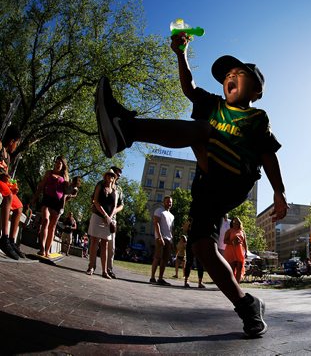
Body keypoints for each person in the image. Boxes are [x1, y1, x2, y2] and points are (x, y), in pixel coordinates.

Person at [95, 33, 288, 337]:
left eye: (239, 75)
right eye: (227, 75)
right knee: (202, 245)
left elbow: (267, 154)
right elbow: (190, 88)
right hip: (207, 183)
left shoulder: (256, 117)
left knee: (202, 130)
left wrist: (279, 191)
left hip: (236, 176)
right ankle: (248, 305)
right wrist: (181, 53)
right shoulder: (214, 104)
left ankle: (126, 130)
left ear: (257, 90)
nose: (230, 78)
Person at [31, 155, 70, 257]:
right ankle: (42, 248)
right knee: (45, 221)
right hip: (47, 199)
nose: (57, 164)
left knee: (52, 227)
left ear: (63, 165)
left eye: (60, 163)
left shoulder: (65, 177)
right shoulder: (49, 173)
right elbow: (41, 186)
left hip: (58, 203)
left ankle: (47, 251)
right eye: (56, 162)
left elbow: (66, 194)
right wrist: (34, 199)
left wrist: (63, 206)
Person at [86, 169, 118, 279]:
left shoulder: (115, 190)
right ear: (105, 177)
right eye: (108, 175)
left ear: (114, 178)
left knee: (105, 245)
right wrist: (105, 215)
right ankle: (91, 267)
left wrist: (109, 218)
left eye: (112, 176)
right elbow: (95, 201)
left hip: (108, 219)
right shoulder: (100, 186)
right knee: (94, 242)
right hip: (98, 216)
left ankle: (104, 271)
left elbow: (115, 206)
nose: (110, 177)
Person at [0, 126, 25, 260]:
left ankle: (11, 240)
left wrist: (12, 184)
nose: (16, 146)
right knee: (8, 196)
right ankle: (4, 238)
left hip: (3, 184)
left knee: (19, 207)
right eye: (17, 143)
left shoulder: (8, 157)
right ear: (11, 141)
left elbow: (6, 175)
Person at [150, 195, 174, 286]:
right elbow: (156, 223)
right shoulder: (159, 210)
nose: (169, 203)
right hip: (161, 237)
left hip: (169, 238)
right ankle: (152, 277)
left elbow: (171, 229)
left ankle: (160, 278)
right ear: (164, 202)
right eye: (167, 201)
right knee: (157, 257)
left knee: (165, 259)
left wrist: (172, 241)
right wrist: (160, 237)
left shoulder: (172, 216)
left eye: (170, 202)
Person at [106, 166, 124, 279]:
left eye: (119, 175)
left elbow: (121, 205)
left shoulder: (119, 189)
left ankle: (109, 269)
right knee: (98, 242)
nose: (118, 177)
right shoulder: (102, 184)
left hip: (112, 219)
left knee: (111, 246)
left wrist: (113, 214)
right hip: (101, 216)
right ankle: (92, 266)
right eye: (116, 174)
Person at [182, 219, 206, 288]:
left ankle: (200, 282)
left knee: (200, 263)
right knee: (189, 262)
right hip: (190, 243)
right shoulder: (190, 222)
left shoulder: (202, 224)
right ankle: (186, 281)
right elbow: (184, 230)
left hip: (199, 244)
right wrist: (188, 223)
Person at [224, 217, 248, 283]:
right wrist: (232, 242)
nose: (235, 223)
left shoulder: (242, 232)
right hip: (231, 251)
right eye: (234, 222)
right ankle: (231, 283)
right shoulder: (229, 231)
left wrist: (246, 252)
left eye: (237, 221)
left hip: (240, 251)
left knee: (239, 268)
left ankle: (237, 284)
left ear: (239, 223)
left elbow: (245, 243)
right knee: (232, 268)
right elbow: (225, 241)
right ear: (232, 223)